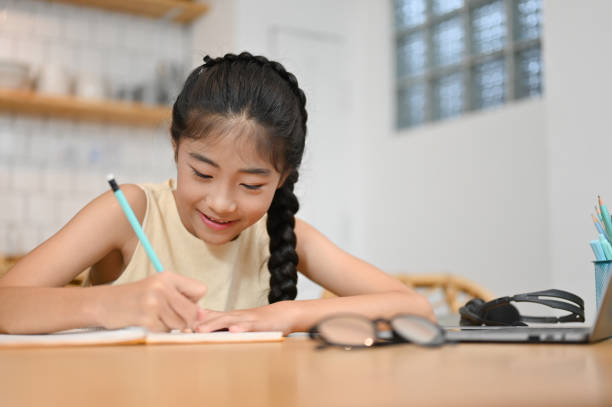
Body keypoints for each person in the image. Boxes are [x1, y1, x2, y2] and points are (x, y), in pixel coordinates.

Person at [0, 52, 434, 335]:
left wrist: (282, 316)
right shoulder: (130, 210)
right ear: (176, 147)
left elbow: (415, 309)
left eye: (251, 185)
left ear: (282, 179)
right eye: (202, 173)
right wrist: (109, 304)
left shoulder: (280, 233)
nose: (222, 203)